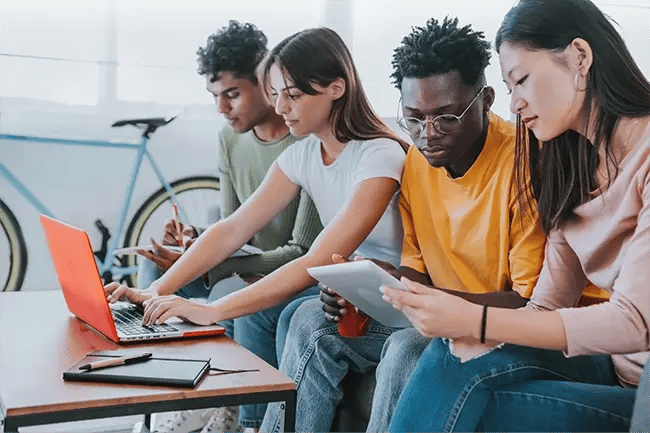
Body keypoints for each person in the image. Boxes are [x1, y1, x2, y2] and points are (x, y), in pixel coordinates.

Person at [106, 26, 409, 433]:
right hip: (344, 298)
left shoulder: (379, 155)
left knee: (300, 319)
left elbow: (317, 258)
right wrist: (158, 290)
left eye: (294, 94)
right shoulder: (304, 154)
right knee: (297, 319)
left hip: (391, 301)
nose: (281, 106)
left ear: (337, 88)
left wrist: (211, 310)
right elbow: (232, 228)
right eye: (277, 93)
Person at [260, 17, 551, 433]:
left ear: (486, 100)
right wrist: (369, 289)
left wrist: (429, 302)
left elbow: (528, 303)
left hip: (498, 327)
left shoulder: (523, 164)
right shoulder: (416, 161)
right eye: (413, 119)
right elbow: (415, 272)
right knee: (310, 320)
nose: (428, 134)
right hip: (436, 315)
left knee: (406, 347)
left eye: (446, 118)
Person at [383, 1, 650, 432]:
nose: (516, 103)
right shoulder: (569, 165)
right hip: (609, 374)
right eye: (509, 87)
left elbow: (635, 321)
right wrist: (464, 329)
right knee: (453, 357)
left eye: (522, 80)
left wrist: (476, 319)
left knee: (467, 356)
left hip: (645, 393)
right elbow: (545, 307)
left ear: (580, 57)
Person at [125, 21, 324, 433]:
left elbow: (300, 250)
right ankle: (165, 392)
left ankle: (236, 413)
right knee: (154, 272)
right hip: (244, 262)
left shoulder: (304, 141)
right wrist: (193, 243)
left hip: (281, 271)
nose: (222, 108)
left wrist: (215, 265)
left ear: (267, 83)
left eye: (232, 94)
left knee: (229, 288)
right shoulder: (230, 140)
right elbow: (235, 227)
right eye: (215, 97)